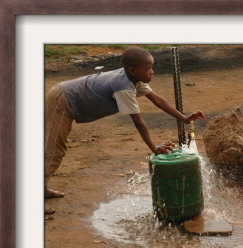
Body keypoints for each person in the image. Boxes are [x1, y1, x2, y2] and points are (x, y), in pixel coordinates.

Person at [45, 46, 204, 214]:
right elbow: (138, 122)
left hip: (67, 97)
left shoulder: (134, 79)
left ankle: (42, 189)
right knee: (53, 149)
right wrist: (155, 149)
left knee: (55, 149)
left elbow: (158, 100)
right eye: (148, 69)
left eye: (151, 68)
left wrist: (184, 118)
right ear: (133, 70)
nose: (152, 72)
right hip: (63, 99)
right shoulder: (124, 87)